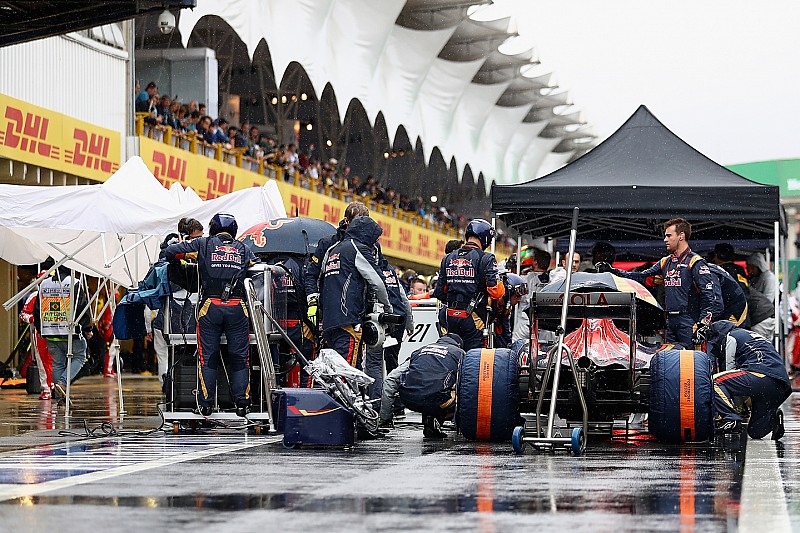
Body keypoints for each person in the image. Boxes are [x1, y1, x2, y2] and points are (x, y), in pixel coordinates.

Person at [160, 213, 257, 417]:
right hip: (238, 306)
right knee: (240, 358)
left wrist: (189, 253)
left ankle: (205, 405)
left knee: (208, 357)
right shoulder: (243, 248)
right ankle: (243, 404)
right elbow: (255, 267)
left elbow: (169, 252)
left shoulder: (203, 244)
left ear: (212, 228)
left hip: (210, 307)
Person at [597, 218, 722, 349]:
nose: (665, 240)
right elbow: (641, 277)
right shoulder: (665, 262)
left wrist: (703, 325)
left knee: (694, 361)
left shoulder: (695, 262)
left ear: (681, 236)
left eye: (668, 235)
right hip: (670, 320)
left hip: (690, 321)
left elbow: (709, 297)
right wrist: (613, 271)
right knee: (671, 360)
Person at [319, 216, 393, 367]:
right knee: (346, 374)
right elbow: (378, 282)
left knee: (333, 371)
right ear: (366, 234)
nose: (375, 243)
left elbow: (320, 280)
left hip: (329, 321)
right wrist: (388, 308)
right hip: (349, 320)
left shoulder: (332, 249)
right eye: (374, 237)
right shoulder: (357, 247)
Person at [705, 320, 790, 439]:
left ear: (719, 334)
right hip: (779, 384)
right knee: (755, 432)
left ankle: (731, 419)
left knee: (715, 381)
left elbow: (729, 370)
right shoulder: (751, 335)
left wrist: (732, 407)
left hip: (762, 375)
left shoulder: (731, 337)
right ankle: (773, 417)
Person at [432, 219, 505, 351]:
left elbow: (440, 293)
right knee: (472, 358)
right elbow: (496, 292)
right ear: (486, 238)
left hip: (450, 316)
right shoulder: (487, 258)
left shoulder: (447, 258)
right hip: (473, 317)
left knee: (449, 354)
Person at [378, 333, 465, 439]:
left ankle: (430, 423)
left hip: (410, 399)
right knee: (458, 394)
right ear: (459, 345)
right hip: (438, 400)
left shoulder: (419, 351)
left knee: (427, 388)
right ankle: (439, 421)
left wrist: (385, 419)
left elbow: (390, 380)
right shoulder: (460, 353)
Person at [304, 201, 371, 333]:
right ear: (346, 221)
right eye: (357, 223)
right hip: (330, 314)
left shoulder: (370, 245)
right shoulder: (328, 243)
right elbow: (312, 274)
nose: (360, 227)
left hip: (361, 315)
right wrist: (313, 301)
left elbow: (376, 280)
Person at [153, 218, 203, 388]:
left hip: (191, 318)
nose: (199, 242)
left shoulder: (200, 253)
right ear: (184, 236)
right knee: (167, 356)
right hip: (170, 317)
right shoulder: (169, 255)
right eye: (196, 238)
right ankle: (167, 387)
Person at [33, 262, 92, 404]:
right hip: (70, 332)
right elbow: (81, 306)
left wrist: (40, 329)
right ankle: (63, 383)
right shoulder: (74, 283)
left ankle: (61, 398)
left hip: (50, 332)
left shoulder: (44, 284)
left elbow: (37, 309)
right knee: (80, 357)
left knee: (58, 364)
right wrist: (87, 328)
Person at [364, 256, 413, 404]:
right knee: (392, 362)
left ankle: (377, 402)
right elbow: (403, 299)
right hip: (399, 319)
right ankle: (396, 403)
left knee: (374, 363)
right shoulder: (390, 271)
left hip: (383, 319)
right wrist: (409, 322)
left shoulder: (370, 270)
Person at [490, 273, 528, 348]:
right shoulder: (488, 302)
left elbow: (505, 333)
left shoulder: (507, 308)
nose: (519, 299)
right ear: (506, 293)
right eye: (517, 296)